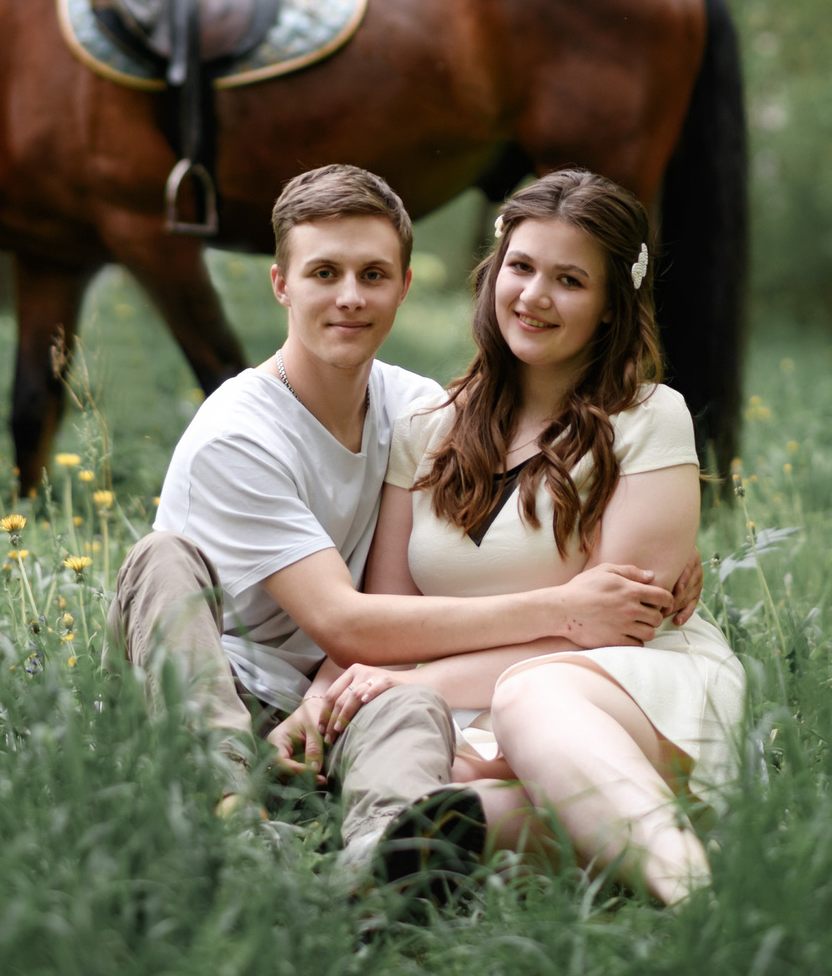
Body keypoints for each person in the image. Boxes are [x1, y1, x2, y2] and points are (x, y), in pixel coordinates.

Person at [106, 164, 700, 893]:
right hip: (236, 688)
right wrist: (568, 607)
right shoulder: (240, 434)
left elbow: (392, 618)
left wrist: (671, 549)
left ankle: (379, 868)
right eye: (324, 272)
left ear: (404, 285)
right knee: (161, 556)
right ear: (281, 284)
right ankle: (228, 812)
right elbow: (350, 621)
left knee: (412, 706)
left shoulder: (417, 410)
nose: (350, 297)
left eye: (373, 274)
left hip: (351, 691)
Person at [266, 169, 743, 906]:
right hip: (469, 704)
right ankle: (455, 848)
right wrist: (324, 699)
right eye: (521, 267)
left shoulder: (650, 418)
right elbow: (389, 619)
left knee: (531, 697)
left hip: (628, 694)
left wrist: (420, 683)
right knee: (436, 794)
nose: (534, 296)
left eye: (570, 280)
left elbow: (616, 631)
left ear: (612, 306)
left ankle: (697, 898)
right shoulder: (428, 427)